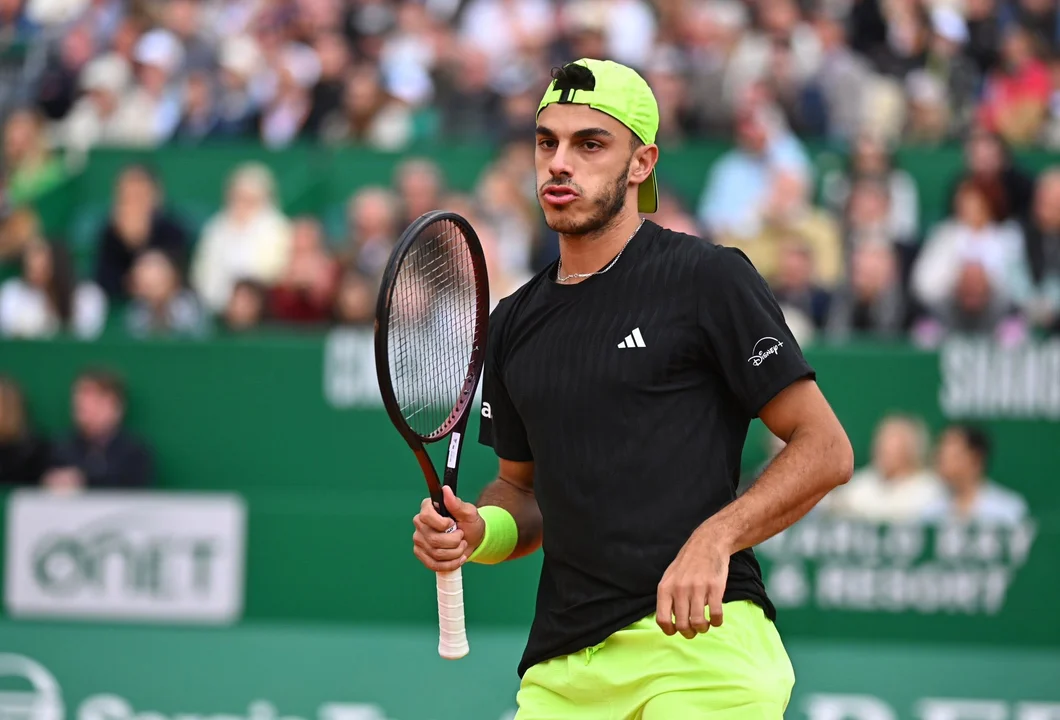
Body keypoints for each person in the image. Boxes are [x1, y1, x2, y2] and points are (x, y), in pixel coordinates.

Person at [411, 59, 854, 719]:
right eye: (547, 142)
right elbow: (522, 494)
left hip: (703, 647)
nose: (560, 163)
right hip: (564, 669)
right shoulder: (512, 323)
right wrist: (481, 531)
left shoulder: (708, 279)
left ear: (642, 163)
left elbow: (826, 449)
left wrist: (716, 538)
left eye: (590, 144)